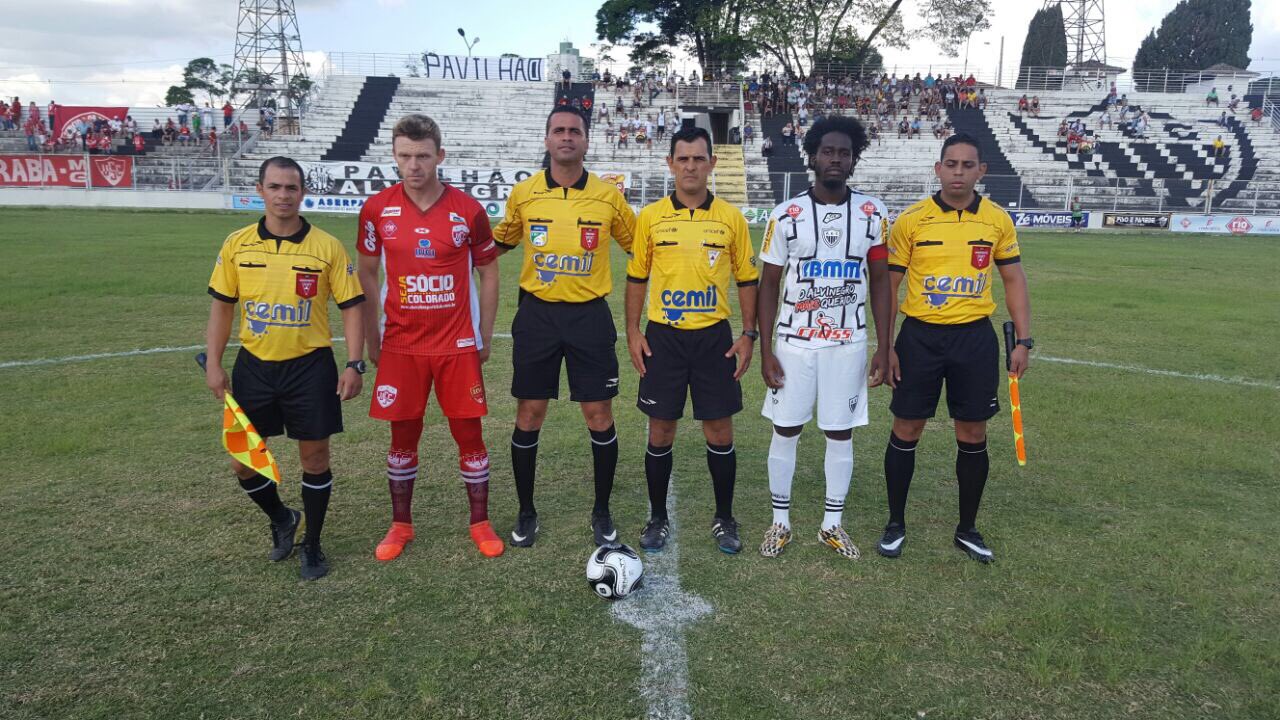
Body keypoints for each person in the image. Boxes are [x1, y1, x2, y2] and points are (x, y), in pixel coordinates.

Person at [204, 156, 367, 580]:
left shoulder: (326, 247)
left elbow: (352, 307)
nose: (283, 195)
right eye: (274, 187)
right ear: (260, 190)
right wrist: (214, 364)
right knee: (243, 461)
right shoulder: (237, 244)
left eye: (291, 188)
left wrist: (354, 363)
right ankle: (282, 517)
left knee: (314, 458)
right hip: (254, 366)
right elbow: (222, 307)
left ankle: (312, 543)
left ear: (302, 192)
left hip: (310, 367)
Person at [878, 133, 1032, 564]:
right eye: (951, 164)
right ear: (938, 169)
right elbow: (889, 287)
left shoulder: (997, 220)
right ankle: (895, 524)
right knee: (907, 428)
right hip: (919, 337)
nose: (958, 172)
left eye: (967, 165)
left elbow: (1014, 279)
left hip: (974, 338)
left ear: (981, 170)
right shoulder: (911, 220)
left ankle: (967, 529)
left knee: (973, 432)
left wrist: (1023, 340)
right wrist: (886, 346)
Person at [355, 114, 504, 561]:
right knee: (402, 438)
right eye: (404, 156)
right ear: (394, 156)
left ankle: (480, 522)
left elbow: (489, 271)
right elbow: (366, 273)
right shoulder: (377, 210)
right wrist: (373, 337)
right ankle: (400, 525)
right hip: (401, 345)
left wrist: (484, 334)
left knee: (469, 434)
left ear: (440, 155)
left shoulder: (468, 211)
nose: (413, 165)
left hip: (456, 344)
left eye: (422, 156)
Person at [492, 107, 637, 548]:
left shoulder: (608, 197)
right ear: (547, 140)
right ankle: (526, 511)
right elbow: (497, 242)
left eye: (575, 131)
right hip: (537, 316)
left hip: (589, 316)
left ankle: (602, 511)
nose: (567, 137)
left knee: (599, 415)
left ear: (586, 140)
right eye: (559, 130)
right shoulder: (524, 194)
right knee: (529, 413)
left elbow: (641, 247)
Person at [755, 116, 892, 560]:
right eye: (828, 151)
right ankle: (780, 521)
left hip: (847, 342)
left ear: (854, 160)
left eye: (844, 153)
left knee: (840, 432)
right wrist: (765, 351)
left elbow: (880, 281)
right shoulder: (785, 215)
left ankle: (832, 525)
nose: (836, 159)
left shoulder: (873, 213)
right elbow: (769, 285)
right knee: (786, 428)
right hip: (794, 343)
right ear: (812, 156)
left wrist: (885, 346)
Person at [625, 126, 759, 554]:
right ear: (670, 164)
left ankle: (725, 518)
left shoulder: (731, 218)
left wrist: (749, 333)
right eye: (682, 158)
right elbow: (636, 277)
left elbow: (747, 279)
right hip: (663, 338)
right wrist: (633, 331)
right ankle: (657, 518)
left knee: (719, 429)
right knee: (660, 429)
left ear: (711, 164)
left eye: (699, 158)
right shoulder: (650, 217)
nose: (690, 166)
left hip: (713, 339)